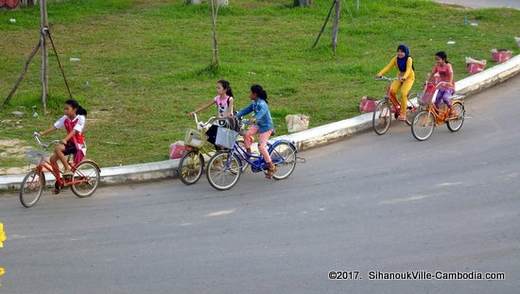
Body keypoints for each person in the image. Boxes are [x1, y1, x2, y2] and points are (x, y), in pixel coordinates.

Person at [37, 99, 87, 183]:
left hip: (77, 144)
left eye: (67, 109)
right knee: (52, 160)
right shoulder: (65, 118)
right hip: (70, 143)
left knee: (57, 148)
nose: (65, 111)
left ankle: (68, 169)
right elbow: (55, 127)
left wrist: (65, 139)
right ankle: (59, 181)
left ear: (74, 109)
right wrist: (41, 133)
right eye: (64, 109)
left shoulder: (81, 118)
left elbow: (74, 131)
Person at [236, 84, 276, 179]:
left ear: (255, 94)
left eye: (250, 92)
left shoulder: (263, 104)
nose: (249, 94)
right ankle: (248, 152)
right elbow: (246, 110)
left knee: (261, 147)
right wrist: (235, 116)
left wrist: (254, 119)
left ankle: (271, 166)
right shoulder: (254, 103)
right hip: (258, 125)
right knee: (246, 134)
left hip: (266, 128)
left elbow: (261, 114)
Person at [376, 44, 416, 121]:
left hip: (409, 78)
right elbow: (388, 67)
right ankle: (398, 106)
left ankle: (403, 113)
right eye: (398, 51)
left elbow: (408, 70)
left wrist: (404, 77)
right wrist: (380, 73)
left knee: (403, 93)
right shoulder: (395, 59)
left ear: (406, 52)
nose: (399, 53)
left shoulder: (409, 59)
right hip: (400, 76)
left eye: (402, 52)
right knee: (391, 91)